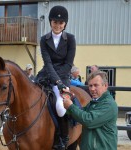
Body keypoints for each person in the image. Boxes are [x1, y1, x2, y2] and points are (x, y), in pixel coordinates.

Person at [35, 5, 76, 150]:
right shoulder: (44, 39)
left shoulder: (70, 39)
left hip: (63, 76)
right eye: (55, 22)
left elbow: (68, 64)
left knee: (60, 106)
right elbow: (47, 63)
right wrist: (55, 80)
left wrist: (59, 82)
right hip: (46, 74)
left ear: (65, 24)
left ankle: (63, 137)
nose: (57, 25)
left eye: (61, 23)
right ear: (50, 22)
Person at [62, 70, 118, 150]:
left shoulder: (108, 104)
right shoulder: (95, 102)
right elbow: (80, 112)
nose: (92, 89)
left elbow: (88, 120)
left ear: (105, 85)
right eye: (90, 86)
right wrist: (71, 98)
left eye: (96, 85)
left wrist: (70, 106)